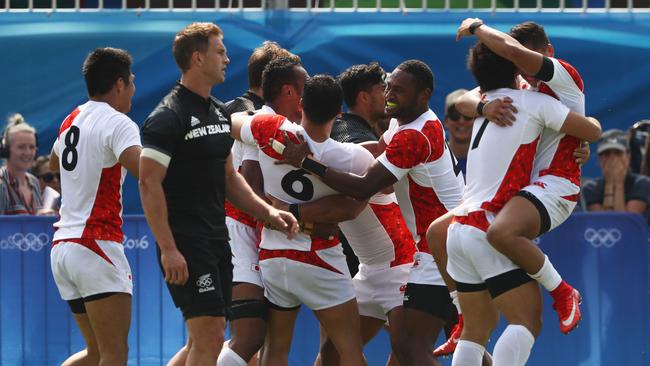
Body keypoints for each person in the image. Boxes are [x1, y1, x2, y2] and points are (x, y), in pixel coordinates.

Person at [275, 60, 465, 366]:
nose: (389, 94)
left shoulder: (412, 136)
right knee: (337, 352)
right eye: (387, 85)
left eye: (397, 90)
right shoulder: (402, 123)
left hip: (434, 249)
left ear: (424, 95)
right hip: (388, 261)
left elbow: (362, 191)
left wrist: (307, 166)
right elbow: (378, 150)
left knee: (411, 349)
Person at [139, 23, 298, 366]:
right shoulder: (168, 116)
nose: (228, 58)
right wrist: (168, 248)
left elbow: (230, 178)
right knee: (211, 336)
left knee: (203, 338)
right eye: (220, 51)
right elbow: (148, 183)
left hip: (217, 240)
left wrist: (268, 213)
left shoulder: (217, 111)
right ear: (198, 58)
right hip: (187, 243)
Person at [445, 41, 601, 366]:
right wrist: (582, 140)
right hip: (484, 225)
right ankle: (562, 291)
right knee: (526, 320)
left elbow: (463, 100)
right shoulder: (534, 102)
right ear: (517, 67)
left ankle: (560, 292)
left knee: (474, 330)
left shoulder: (482, 103)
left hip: (457, 232)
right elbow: (590, 129)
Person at [230, 74, 368, 366]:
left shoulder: (272, 129)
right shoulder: (349, 157)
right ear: (339, 113)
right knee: (350, 351)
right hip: (320, 256)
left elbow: (231, 122)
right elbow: (371, 190)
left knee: (276, 349)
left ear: (302, 103)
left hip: (274, 255)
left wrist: (250, 118)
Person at [49, 47, 142, 366]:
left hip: (63, 248)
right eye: (131, 80)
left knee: (97, 353)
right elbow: (147, 172)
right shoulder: (119, 123)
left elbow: (54, 163)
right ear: (118, 84)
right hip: (96, 246)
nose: (133, 87)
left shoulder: (70, 119)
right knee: (114, 354)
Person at [220, 54, 306, 366]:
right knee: (249, 337)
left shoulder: (260, 120)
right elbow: (252, 184)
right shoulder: (265, 122)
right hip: (243, 230)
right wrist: (282, 213)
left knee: (267, 340)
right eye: (302, 86)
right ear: (285, 89)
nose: (305, 95)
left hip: (256, 231)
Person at [583, 129, 650, 221]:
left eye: (617, 153)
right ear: (599, 159)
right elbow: (604, 223)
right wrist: (610, 184)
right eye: (606, 154)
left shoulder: (642, 183)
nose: (612, 159)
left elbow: (626, 223)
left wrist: (618, 184)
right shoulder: (590, 188)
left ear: (628, 156)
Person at [0, 113, 43, 215]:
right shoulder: (2, 185)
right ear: (5, 150)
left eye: (32, 147)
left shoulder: (34, 182)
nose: (28, 153)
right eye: (21, 147)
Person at [443, 89, 474, 175]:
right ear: (445, 121)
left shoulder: (488, 158)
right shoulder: (435, 160)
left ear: (476, 120)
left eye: (467, 115)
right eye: (455, 115)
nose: (461, 121)